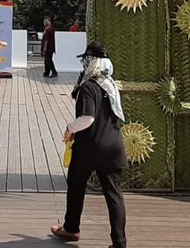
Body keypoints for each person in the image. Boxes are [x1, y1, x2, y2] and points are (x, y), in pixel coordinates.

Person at [52, 42, 127, 248]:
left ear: (91, 61)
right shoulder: (109, 85)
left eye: (86, 60)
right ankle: (119, 242)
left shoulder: (88, 87)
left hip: (89, 147)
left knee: (76, 185)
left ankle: (71, 228)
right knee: (114, 194)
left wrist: (69, 128)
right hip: (113, 146)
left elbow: (88, 118)